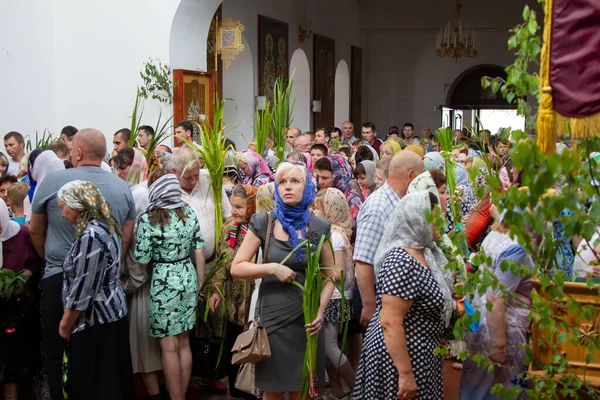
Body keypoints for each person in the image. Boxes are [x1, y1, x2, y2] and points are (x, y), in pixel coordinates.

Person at [29, 129, 136, 400]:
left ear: (76, 152)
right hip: (111, 296)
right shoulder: (121, 187)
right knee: (105, 366)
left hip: (72, 291)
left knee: (60, 355)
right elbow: (126, 237)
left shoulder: (55, 182)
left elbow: (36, 231)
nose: (63, 212)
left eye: (65, 208)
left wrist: (53, 262)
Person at [231, 162, 335, 399]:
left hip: (308, 321)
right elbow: (237, 267)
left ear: (307, 186)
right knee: (273, 391)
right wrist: (271, 268)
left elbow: (332, 275)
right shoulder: (263, 223)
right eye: (282, 182)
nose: (288, 187)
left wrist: (320, 311)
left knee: (304, 389)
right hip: (272, 320)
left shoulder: (319, 226)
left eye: (295, 181)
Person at [354, 191, 452, 400]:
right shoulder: (402, 260)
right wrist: (406, 374)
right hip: (398, 360)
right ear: (417, 217)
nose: (442, 220)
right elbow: (390, 321)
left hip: (419, 353)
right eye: (436, 215)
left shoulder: (425, 253)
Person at [57, 180, 135, 400]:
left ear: (77, 206)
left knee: (98, 386)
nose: (62, 214)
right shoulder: (106, 226)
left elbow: (84, 289)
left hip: (96, 322)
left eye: (63, 207)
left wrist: (65, 323)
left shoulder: (91, 236)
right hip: (109, 317)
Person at [135, 170, 206, 400]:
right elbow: (199, 248)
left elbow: (142, 260)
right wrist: (200, 282)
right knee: (184, 343)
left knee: (168, 347)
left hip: (163, 279)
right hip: (188, 275)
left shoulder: (148, 219)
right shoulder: (188, 212)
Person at [459, 209, 534, 400]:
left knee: (478, 387)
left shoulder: (495, 234)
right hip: (502, 329)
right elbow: (496, 297)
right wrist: (499, 347)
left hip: (482, 322)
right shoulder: (516, 247)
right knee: (500, 390)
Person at [112, 148, 162, 398]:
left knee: (144, 353)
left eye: (123, 169)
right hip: (157, 284)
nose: (119, 174)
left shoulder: (138, 198)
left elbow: (138, 264)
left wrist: (125, 285)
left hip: (142, 288)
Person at [354, 151, 424, 328]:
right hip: (379, 300)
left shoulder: (399, 200)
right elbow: (363, 262)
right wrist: (369, 306)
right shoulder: (379, 206)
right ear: (411, 175)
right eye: (421, 176)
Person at [209, 185, 260, 400]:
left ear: (251, 207)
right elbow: (221, 261)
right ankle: (236, 391)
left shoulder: (259, 229)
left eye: (239, 207)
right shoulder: (229, 227)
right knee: (233, 344)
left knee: (252, 346)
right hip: (234, 302)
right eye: (232, 206)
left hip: (253, 303)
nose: (234, 211)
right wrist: (216, 290)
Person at [313, 188, 356, 400]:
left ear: (330, 211)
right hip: (331, 297)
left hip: (334, 297)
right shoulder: (333, 232)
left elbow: (338, 273)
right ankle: (338, 391)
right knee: (326, 347)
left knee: (329, 348)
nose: (314, 212)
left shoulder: (334, 236)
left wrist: (315, 269)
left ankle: (357, 387)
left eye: (318, 208)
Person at [0, 199, 43, 400]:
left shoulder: (21, 234)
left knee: (13, 355)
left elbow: (35, 262)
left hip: (18, 307)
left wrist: (24, 276)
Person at [314, 154, 363, 237]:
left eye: (325, 178)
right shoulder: (321, 196)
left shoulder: (353, 201)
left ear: (338, 177)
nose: (320, 182)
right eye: (318, 177)